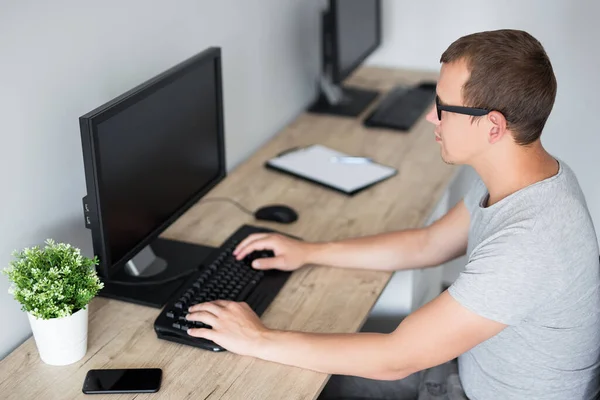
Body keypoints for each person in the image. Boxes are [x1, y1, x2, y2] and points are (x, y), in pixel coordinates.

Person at [185, 29, 600, 400]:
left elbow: (397, 358)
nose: (430, 117)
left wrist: (258, 337)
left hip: (468, 388)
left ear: (492, 127)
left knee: (278, 378)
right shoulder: (526, 175)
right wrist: (308, 250)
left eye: (443, 106)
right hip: (469, 370)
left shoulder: (532, 242)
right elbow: (430, 243)